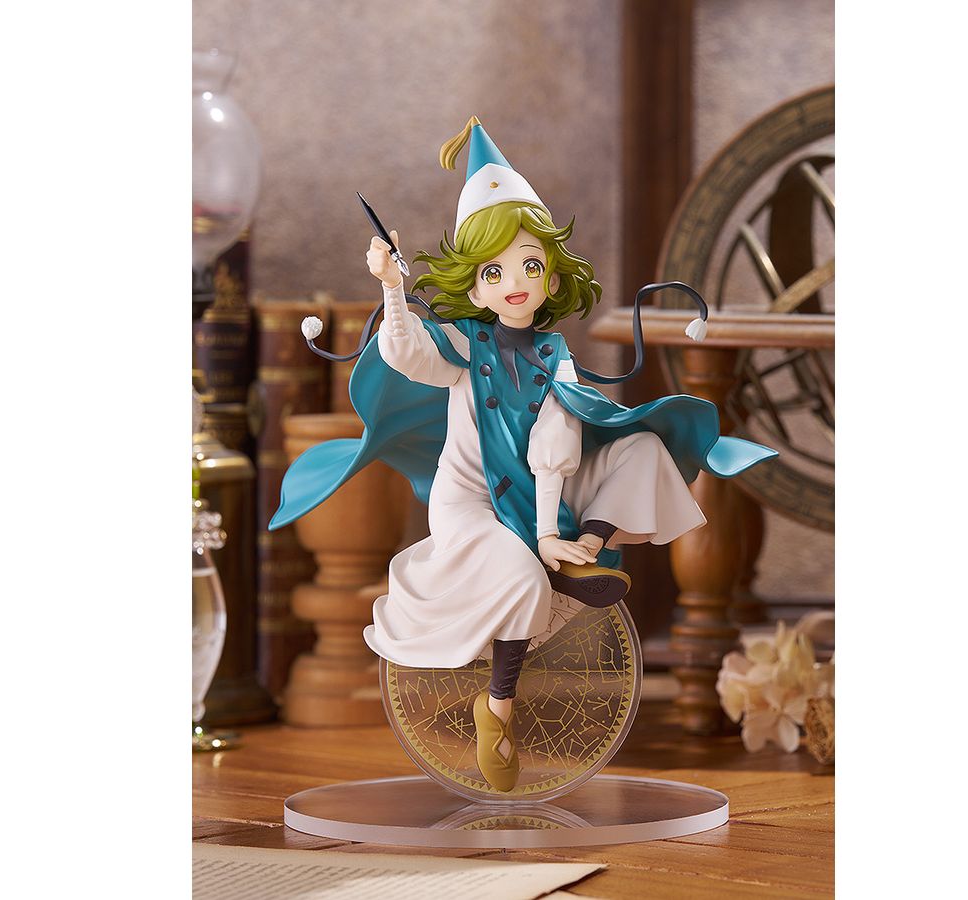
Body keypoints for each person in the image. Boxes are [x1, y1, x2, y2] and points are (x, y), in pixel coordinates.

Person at [271, 117, 777, 791]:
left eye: (531, 265)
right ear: (475, 288)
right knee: (521, 579)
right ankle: (499, 706)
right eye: (495, 270)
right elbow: (406, 354)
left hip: (544, 492)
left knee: (642, 448)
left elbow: (554, 446)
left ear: (552, 278)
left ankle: (583, 549)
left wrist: (551, 528)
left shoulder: (553, 354)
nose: (515, 281)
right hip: (472, 503)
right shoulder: (462, 344)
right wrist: (392, 286)